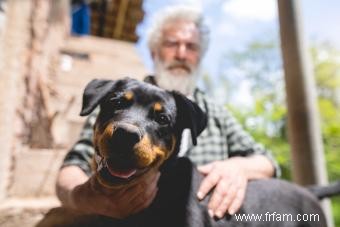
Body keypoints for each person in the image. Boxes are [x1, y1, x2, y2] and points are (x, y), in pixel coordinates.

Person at [56, 5, 280, 221]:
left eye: (191, 47)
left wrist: (236, 167)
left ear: (199, 57)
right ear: (154, 52)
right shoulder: (119, 97)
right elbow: (74, 163)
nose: (181, 53)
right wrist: (83, 198)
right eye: (172, 43)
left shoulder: (214, 112)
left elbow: (267, 162)